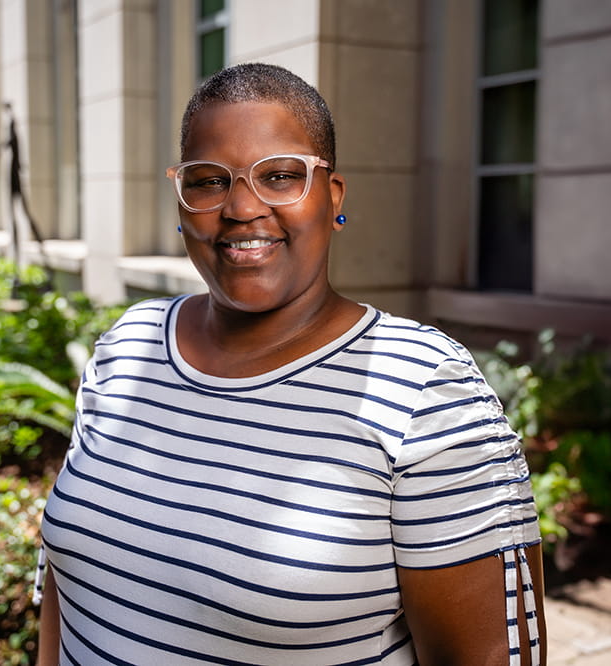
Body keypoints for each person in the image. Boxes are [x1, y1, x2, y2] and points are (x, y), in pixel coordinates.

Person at [35, 63, 545, 665]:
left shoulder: (424, 390)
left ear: (333, 199)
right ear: (182, 202)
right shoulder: (128, 345)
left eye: (281, 176)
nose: (242, 208)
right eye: (208, 181)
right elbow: (62, 594)